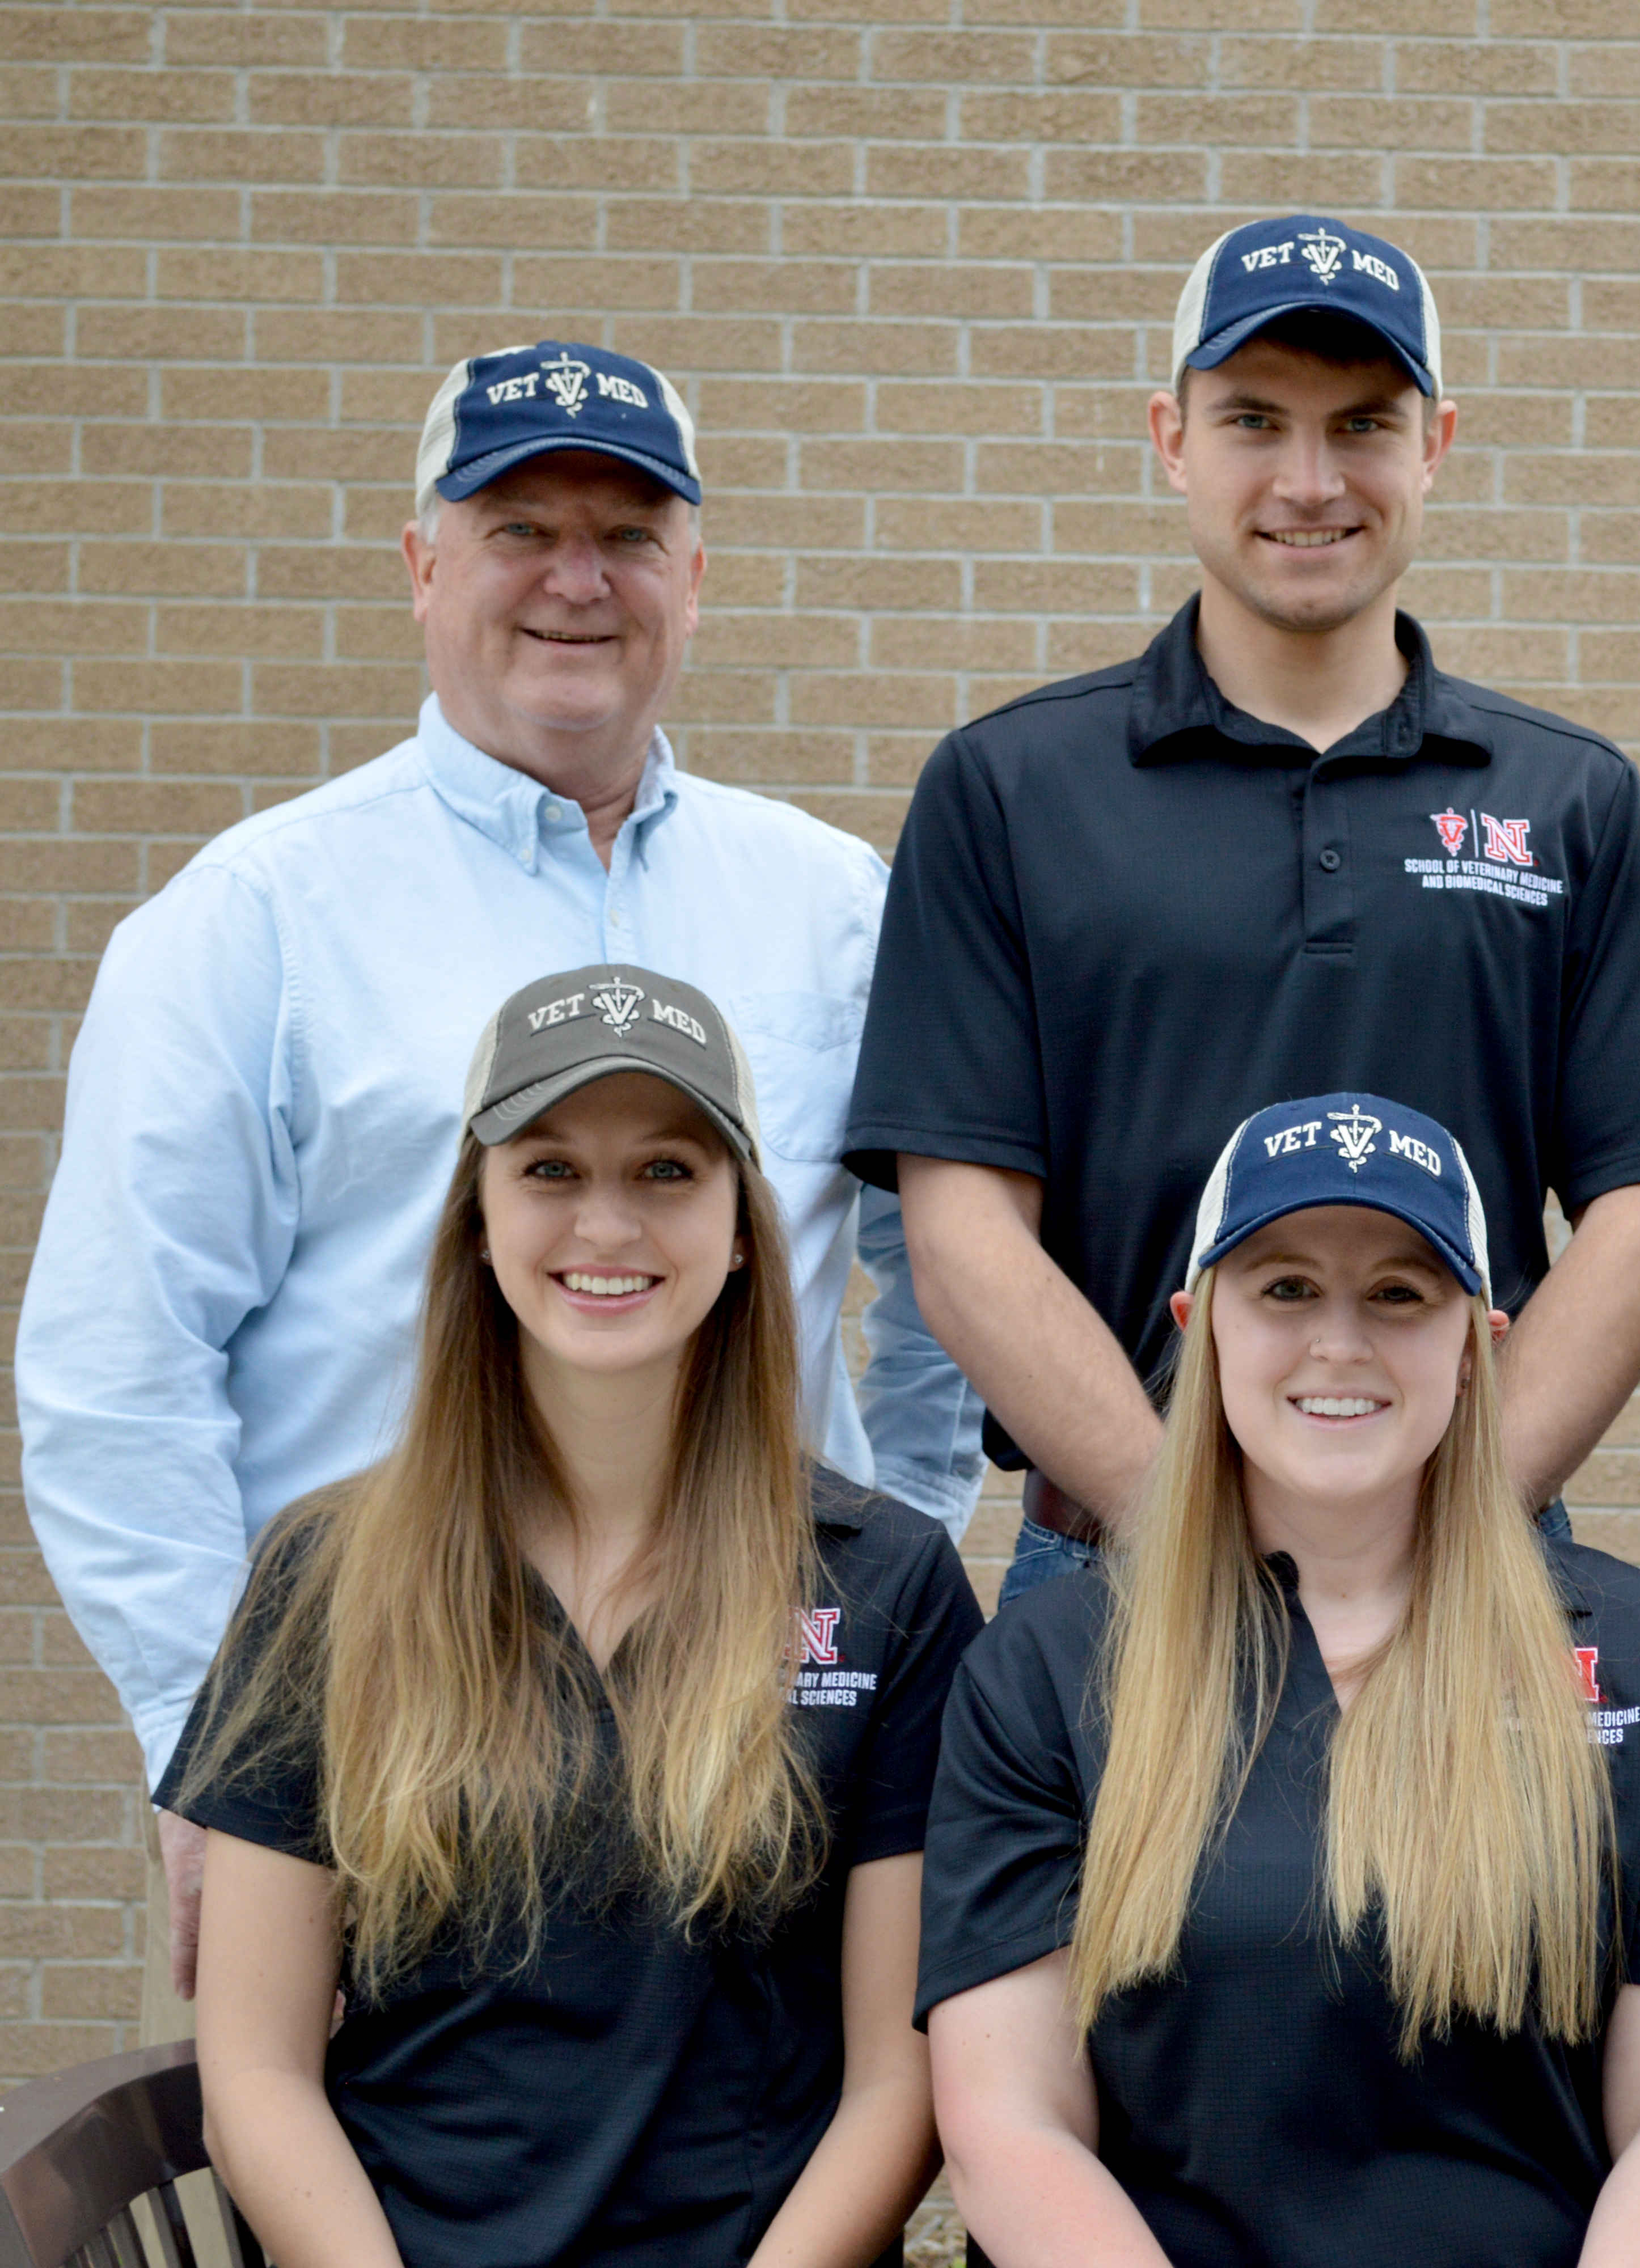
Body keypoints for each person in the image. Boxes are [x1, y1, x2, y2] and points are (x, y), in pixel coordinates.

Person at [16, 340, 984, 1996]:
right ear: (422, 567)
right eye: (520, 527)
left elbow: (944, 1291)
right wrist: (218, 1759)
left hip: (756, 1762)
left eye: (626, 533)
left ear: (697, 576)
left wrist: (891, 1608)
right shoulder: (253, 922)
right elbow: (117, 1372)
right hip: (389, 1754)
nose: (576, 580)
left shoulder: (834, 911)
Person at [851, 213, 1640, 1604]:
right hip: (1112, 1565)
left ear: (1434, 442)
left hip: (1469, 1567)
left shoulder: (1568, 801)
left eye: (1361, 424)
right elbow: (960, 1234)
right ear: (1170, 437)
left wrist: (1435, 1538)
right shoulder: (1009, 789)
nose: (1308, 481)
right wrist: (1185, 1538)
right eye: (1253, 419)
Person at [162, 968, 983, 2266]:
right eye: (549, 1169)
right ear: (477, 1222)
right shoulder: (325, 1573)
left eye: (666, 1170)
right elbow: (258, 2071)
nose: (607, 1223)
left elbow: (899, 2077)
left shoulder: (885, 1582)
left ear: (738, 1229)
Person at [919, 1094, 1640, 2266]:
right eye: (1283, 1288)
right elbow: (1011, 2123)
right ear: (1197, 1323)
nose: (1340, 1342)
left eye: (1399, 1294)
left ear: (1481, 1347)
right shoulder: (1046, 1671)